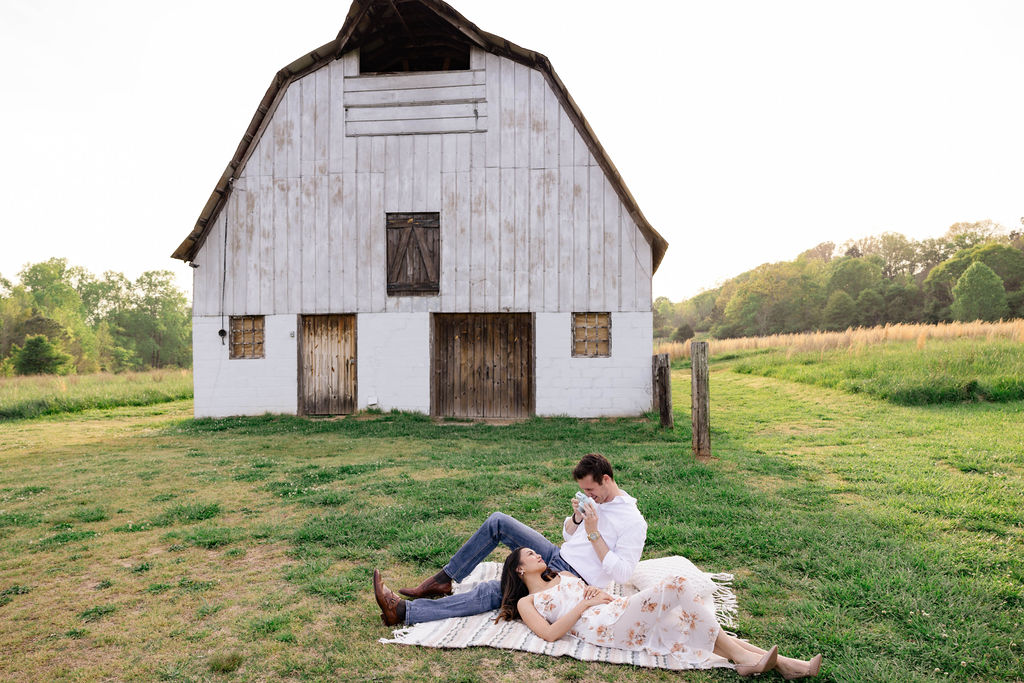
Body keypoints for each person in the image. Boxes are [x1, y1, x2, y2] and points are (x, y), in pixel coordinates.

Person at [373, 453, 647, 626]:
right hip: (555, 555)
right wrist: (576, 519)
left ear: (606, 479)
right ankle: (444, 579)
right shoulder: (595, 500)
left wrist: (594, 533)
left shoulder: (633, 521)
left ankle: (405, 612)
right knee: (498, 521)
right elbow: (568, 535)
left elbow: (622, 573)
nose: (588, 495)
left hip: (572, 579)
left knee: (494, 591)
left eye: (590, 490)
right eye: (583, 490)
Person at [497, 547, 823, 679]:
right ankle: (747, 660)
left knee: (689, 624)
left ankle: (788, 666)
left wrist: (600, 594)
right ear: (518, 568)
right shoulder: (528, 603)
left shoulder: (565, 577)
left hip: (616, 611)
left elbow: (602, 597)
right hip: (603, 629)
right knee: (678, 584)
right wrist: (584, 604)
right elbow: (552, 635)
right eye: (529, 554)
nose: (537, 553)